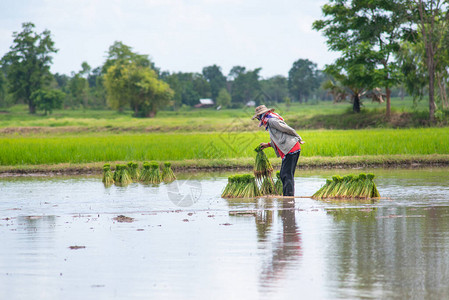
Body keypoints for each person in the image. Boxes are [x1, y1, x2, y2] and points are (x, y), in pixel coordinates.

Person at [252, 105, 305, 197]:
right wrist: (267, 145)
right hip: (290, 149)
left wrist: (299, 137)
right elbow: (278, 139)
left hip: (291, 148)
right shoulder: (269, 121)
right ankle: (288, 196)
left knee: (285, 174)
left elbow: (287, 129)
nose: (258, 119)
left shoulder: (272, 121)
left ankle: (288, 198)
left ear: (262, 115)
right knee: (286, 174)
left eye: (258, 117)